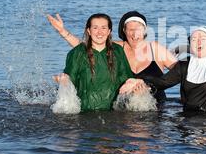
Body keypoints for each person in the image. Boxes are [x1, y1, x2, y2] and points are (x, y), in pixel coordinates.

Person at [47, 11, 177, 103]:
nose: (134, 33)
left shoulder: (155, 49)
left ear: (145, 30)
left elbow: (181, 72)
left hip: (156, 107)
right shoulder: (117, 48)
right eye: (130, 29)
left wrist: (149, 84)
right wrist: (62, 31)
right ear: (124, 31)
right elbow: (86, 46)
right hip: (125, 108)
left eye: (138, 28)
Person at [59, 13, 133, 112]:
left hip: (113, 112)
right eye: (95, 28)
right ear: (88, 31)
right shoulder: (77, 52)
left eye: (103, 28)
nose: (99, 32)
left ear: (109, 31)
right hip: (84, 111)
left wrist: (133, 83)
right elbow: (69, 81)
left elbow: (127, 78)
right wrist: (63, 80)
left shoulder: (118, 51)